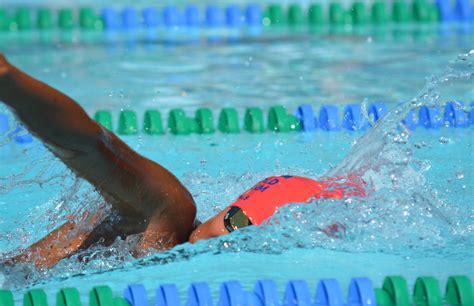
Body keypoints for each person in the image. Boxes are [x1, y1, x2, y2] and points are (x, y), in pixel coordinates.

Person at [0, 54, 366, 269]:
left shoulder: (168, 250)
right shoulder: (171, 214)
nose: (224, 231)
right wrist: (8, 80)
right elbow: (90, 145)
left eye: (241, 229)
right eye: (233, 219)